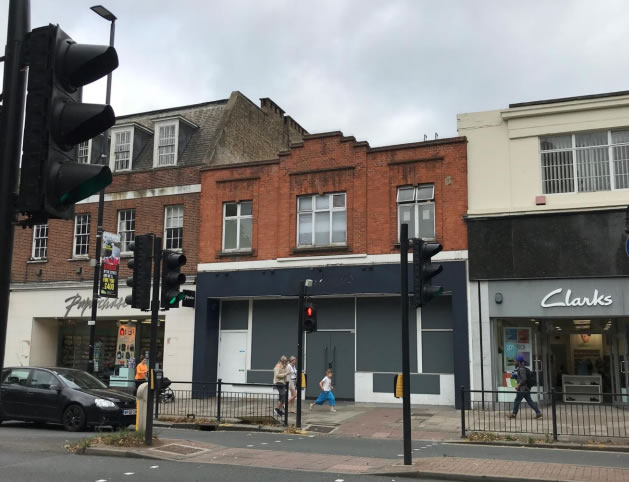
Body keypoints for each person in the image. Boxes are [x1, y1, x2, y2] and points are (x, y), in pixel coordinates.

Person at [507, 354, 542, 419]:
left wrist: (518, 385)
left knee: (517, 401)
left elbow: (524, 379)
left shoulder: (521, 369)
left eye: (516, 361)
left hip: (522, 389)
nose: (515, 362)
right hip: (526, 389)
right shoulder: (521, 368)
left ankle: (514, 414)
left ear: (519, 362)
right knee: (530, 401)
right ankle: (538, 413)